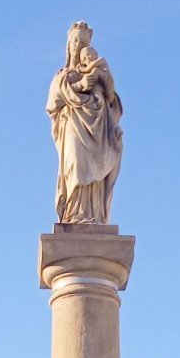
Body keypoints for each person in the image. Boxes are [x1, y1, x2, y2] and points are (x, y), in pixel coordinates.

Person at [46, 21, 123, 224]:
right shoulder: (63, 76)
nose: (80, 45)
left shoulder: (100, 72)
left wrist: (105, 83)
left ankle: (95, 215)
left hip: (98, 131)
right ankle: (74, 214)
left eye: (84, 41)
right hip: (72, 125)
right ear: (69, 46)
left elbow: (113, 105)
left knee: (95, 174)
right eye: (76, 41)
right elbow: (53, 104)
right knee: (76, 166)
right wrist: (80, 85)